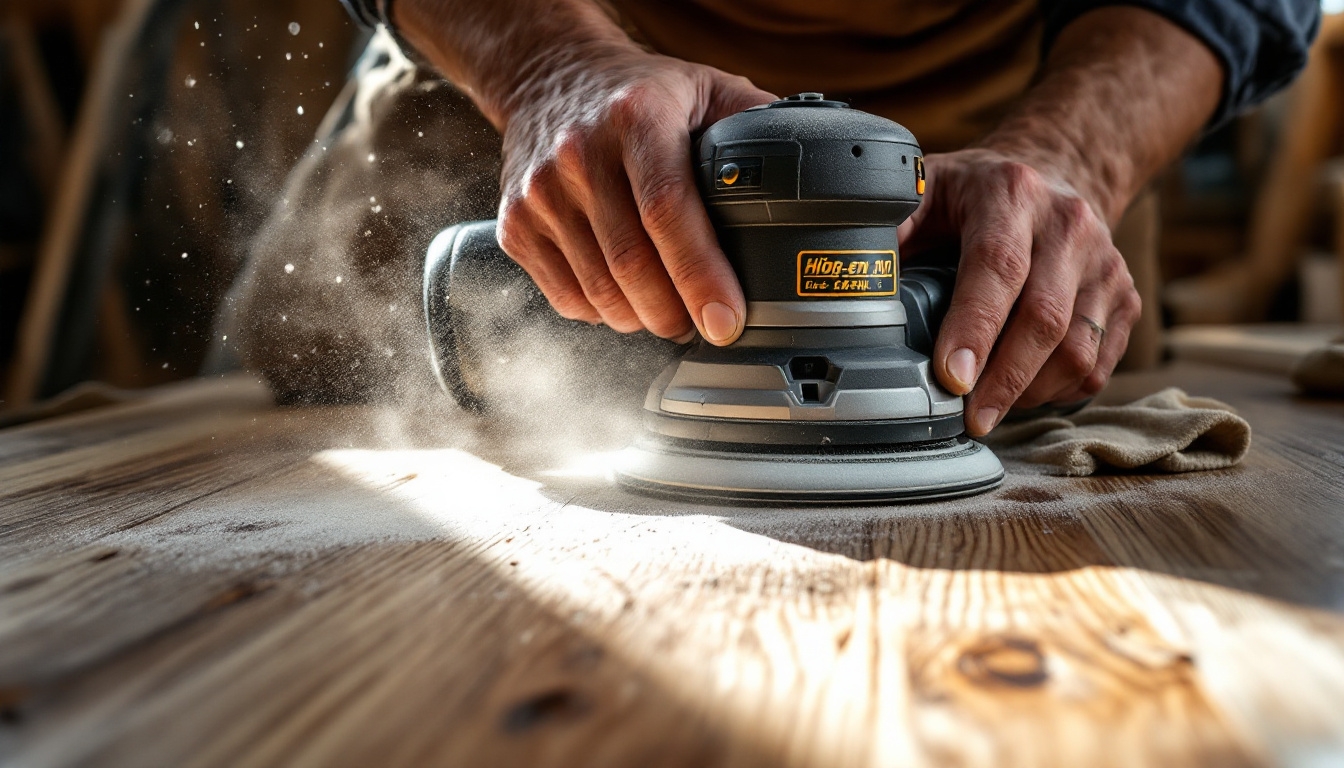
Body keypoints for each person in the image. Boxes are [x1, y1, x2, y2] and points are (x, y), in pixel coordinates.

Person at [224, 0, 1320, 433]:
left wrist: (1073, 149)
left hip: (1017, 109)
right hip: (550, 64)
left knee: (1046, 377)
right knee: (334, 351)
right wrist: (542, 59)